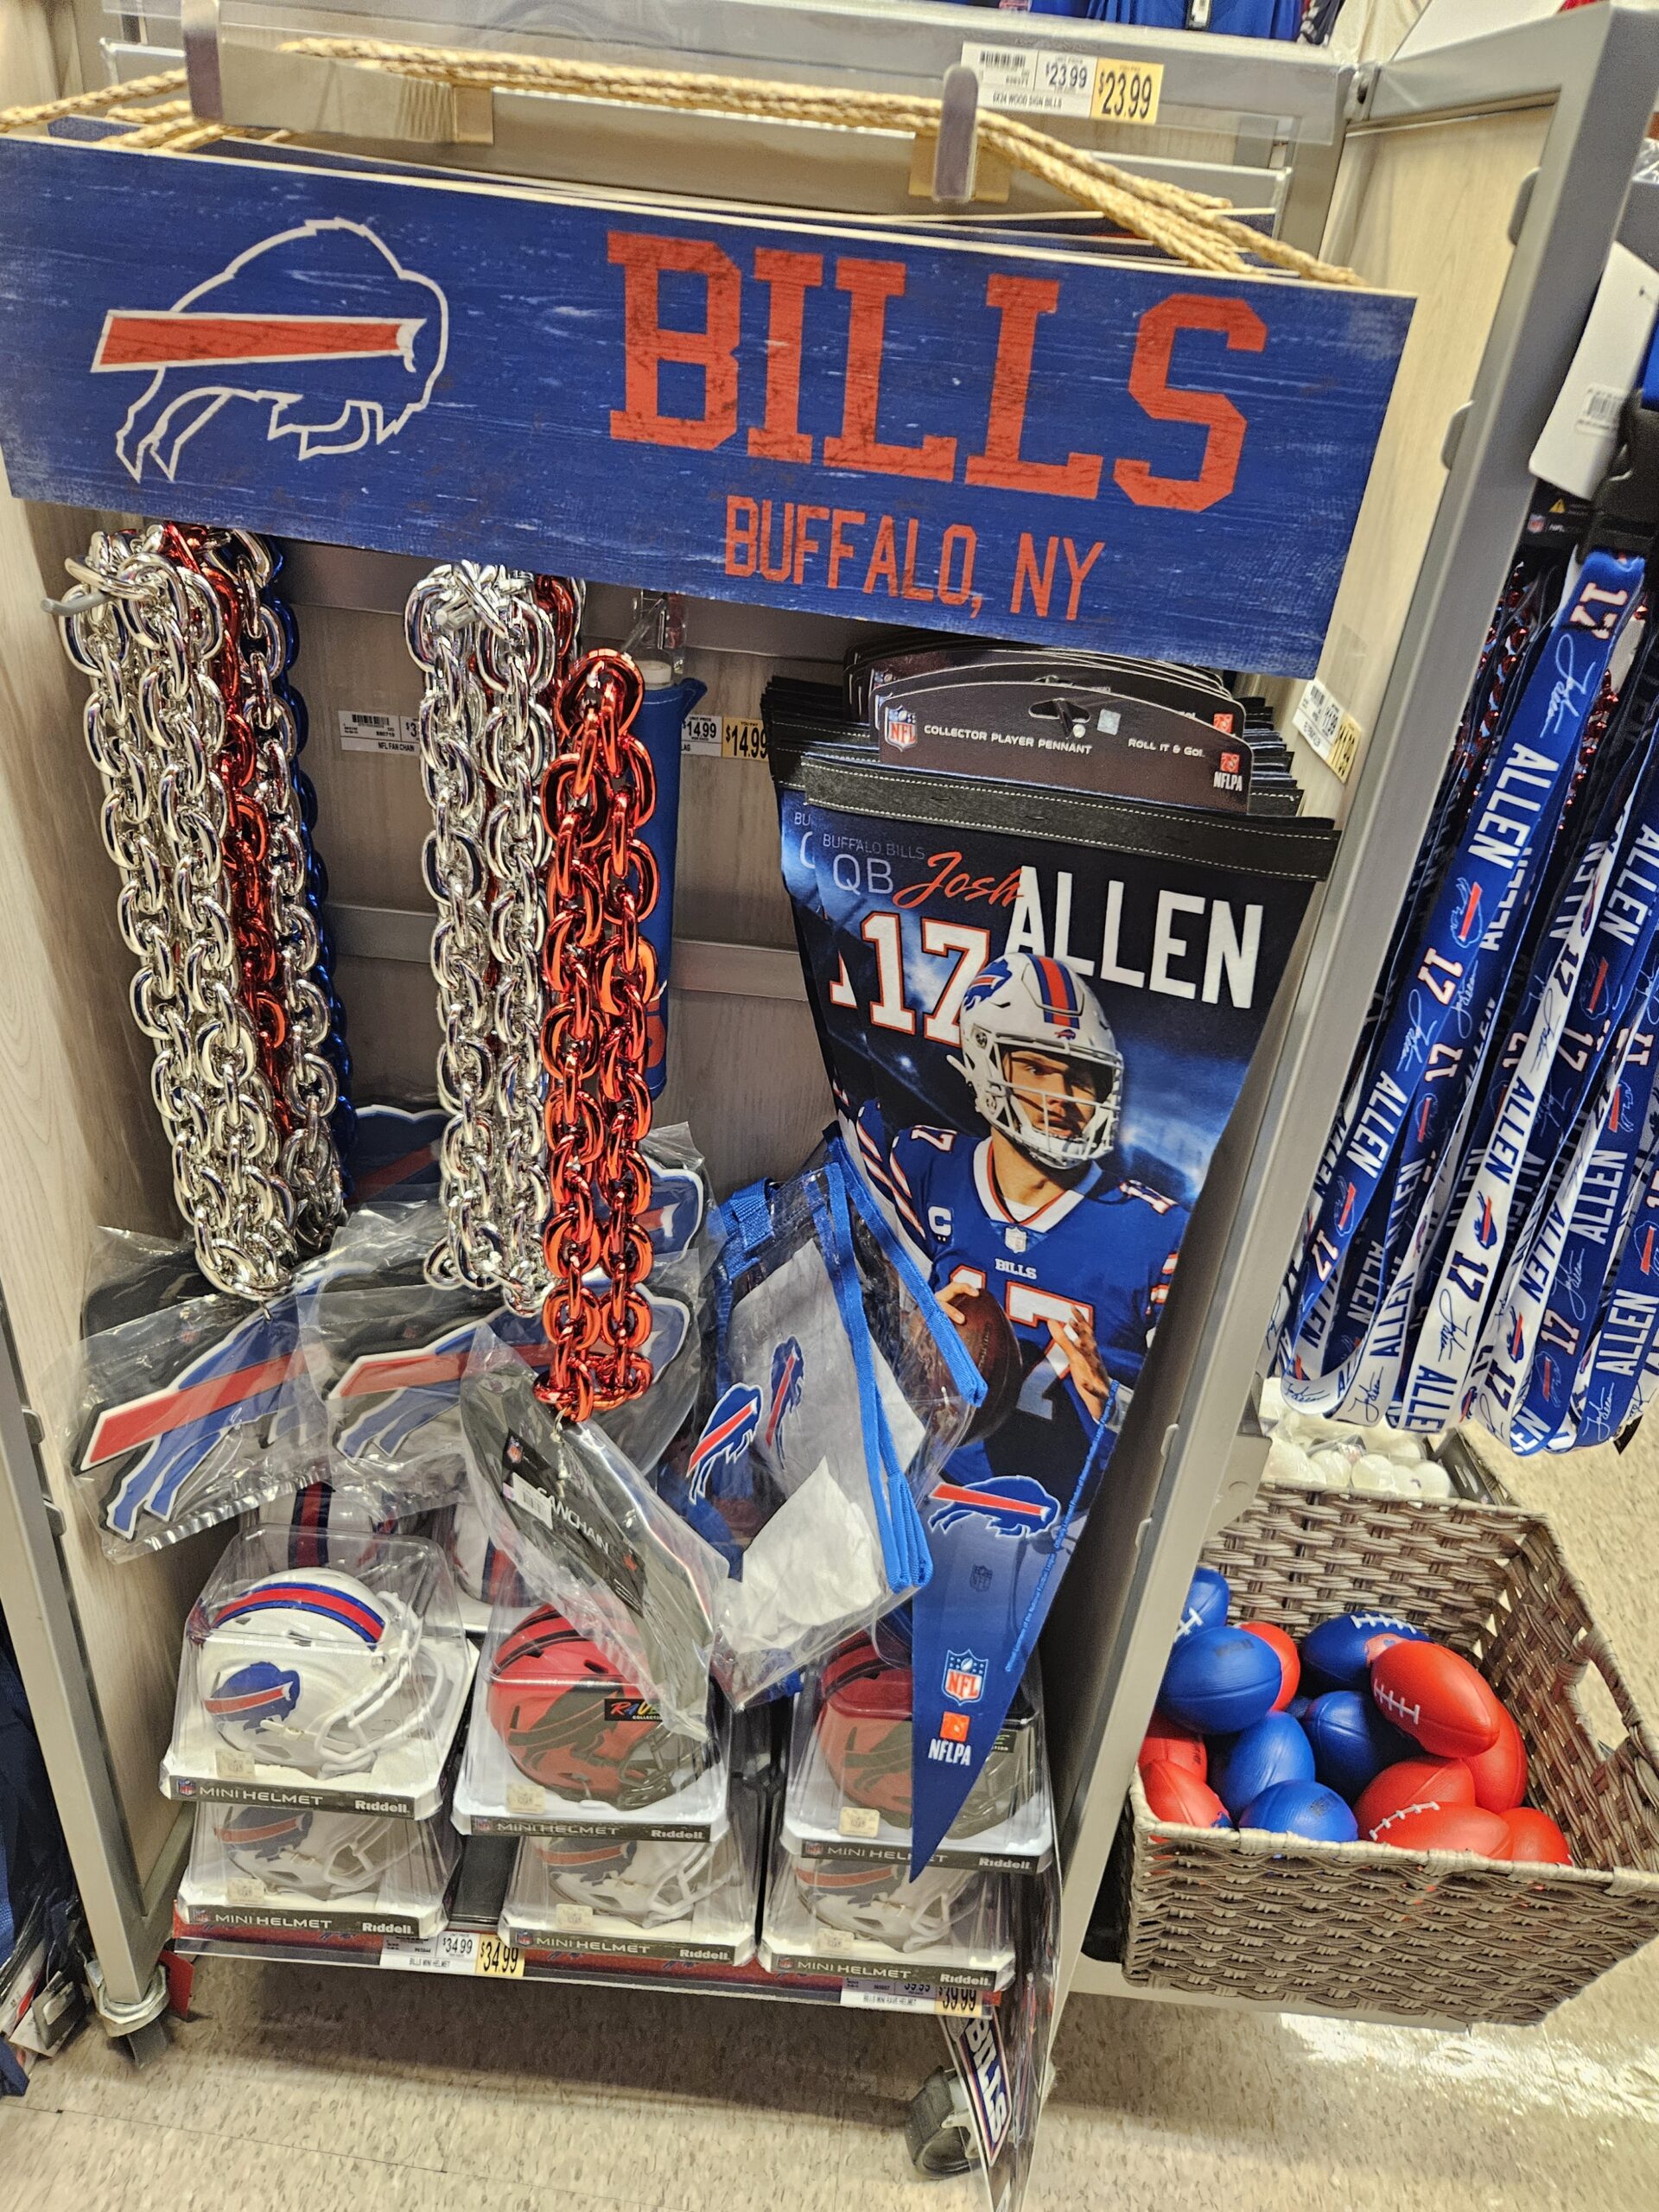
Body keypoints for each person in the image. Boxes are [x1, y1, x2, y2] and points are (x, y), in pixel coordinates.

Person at [854, 952, 1186, 1492]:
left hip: (1079, 1517)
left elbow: (1188, 1432)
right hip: (937, 1490)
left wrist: (1113, 1405)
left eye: (1082, 1077)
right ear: (985, 1063)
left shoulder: (1155, 1232)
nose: (1063, 1097)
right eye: (1036, 1068)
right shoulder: (924, 1167)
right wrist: (909, 1334)